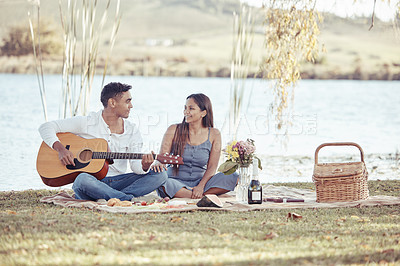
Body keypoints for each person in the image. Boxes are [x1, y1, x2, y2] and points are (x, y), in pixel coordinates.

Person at [38, 82, 167, 201]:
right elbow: (46, 127)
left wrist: (145, 165)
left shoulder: (132, 130)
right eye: (127, 101)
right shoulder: (87, 122)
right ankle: (126, 199)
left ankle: (113, 197)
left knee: (160, 175)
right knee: (82, 180)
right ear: (112, 103)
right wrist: (61, 149)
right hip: (92, 181)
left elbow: (136, 168)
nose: (131, 106)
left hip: (120, 181)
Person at [154, 93, 238, 199]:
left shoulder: (214, 134)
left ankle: (192, 194)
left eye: (191, 108)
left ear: (203, 113)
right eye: (185, 108)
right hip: (174, 182)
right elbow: (163, 157)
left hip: (202, 182)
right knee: (163, 183)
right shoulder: (173, 130)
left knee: (233, 176)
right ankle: (205, 196)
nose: (186, 112)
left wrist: (200, 187)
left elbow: (212, 167)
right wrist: (158, 162)